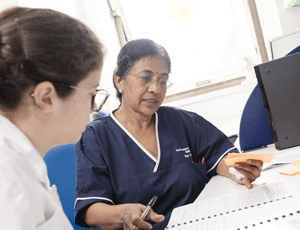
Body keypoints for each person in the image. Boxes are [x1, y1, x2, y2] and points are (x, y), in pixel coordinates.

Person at [74, 39, 263, 230]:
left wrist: (238, 169)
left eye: (162, 81)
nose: (155, 89)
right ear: (119, 80)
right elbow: (91, 212)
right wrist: (123, 214)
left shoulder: (181, 121)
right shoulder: (96, 138)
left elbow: (221, 155)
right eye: (145, 78)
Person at [0, 7, 108, 229]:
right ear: (47, 97)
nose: (94, 108)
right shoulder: (8, 185)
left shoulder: (22, 162)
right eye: (92, 93)